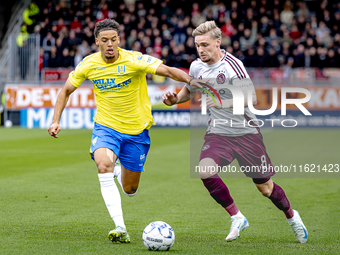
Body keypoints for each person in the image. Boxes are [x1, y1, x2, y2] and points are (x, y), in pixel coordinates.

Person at [47, 19, 200, 243]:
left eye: (114, 39)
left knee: (130, 189)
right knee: (103, 165)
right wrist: (55, 120)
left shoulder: (134, 59)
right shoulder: (88, 64)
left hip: (137, 131)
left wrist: (191, 80)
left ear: (119, 40)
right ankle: (120, 227)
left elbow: (166, 70)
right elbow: (65, 91)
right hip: (106, 127)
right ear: (97, 41)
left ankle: (119, 171)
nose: (110, 44)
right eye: (105, 40)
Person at [162, 21, 308, 243]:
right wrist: (175, 100)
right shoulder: (195, 67)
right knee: (205, 170)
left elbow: (252, 98)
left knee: (265, 188)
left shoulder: (233, 66)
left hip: (246, 133)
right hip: (218, 133)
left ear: (218, 42)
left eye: (205, 44)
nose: (200, 50)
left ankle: (292, 217)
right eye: (197, 45)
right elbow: (189, 90)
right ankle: (237, 217)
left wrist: (221, 101)